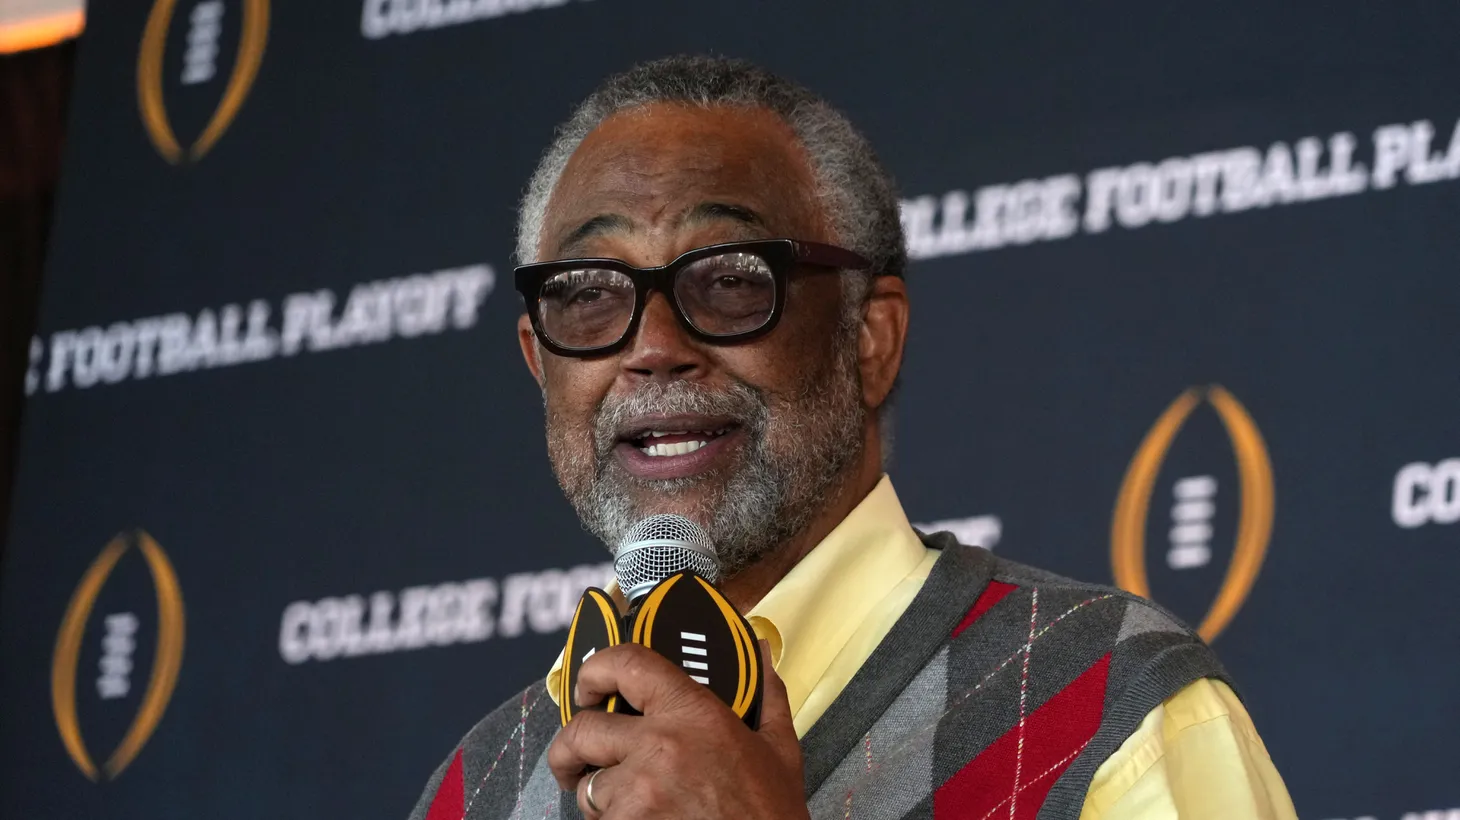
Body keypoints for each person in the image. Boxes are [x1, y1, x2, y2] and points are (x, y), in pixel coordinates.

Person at [408, 55, 1296, 820]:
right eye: (591, 291)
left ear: (869, 339)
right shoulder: (476, 789)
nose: (652, 347)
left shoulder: (1109, 706)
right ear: (538, 360)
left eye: (729, 279)